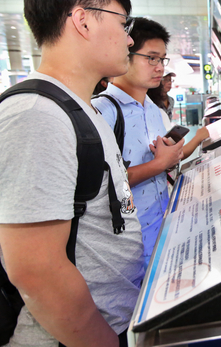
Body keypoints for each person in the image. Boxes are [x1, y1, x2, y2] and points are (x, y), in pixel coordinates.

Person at [0, 0, 144, 346]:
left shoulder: (77, 107)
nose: (128, 40)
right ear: (83, 21)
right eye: (123, 24)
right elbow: (37, 272)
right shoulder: (35, 115)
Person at [92, 18, 208, 267]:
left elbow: (162, 163)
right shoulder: (101, 112)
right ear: (127, 53)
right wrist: (158, 165)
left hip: (163, 228)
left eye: (162, 60)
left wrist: (168, 160)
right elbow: (102, 187)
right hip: (125, 244)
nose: (159, 68)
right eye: (151, 58)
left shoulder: (155, 112)